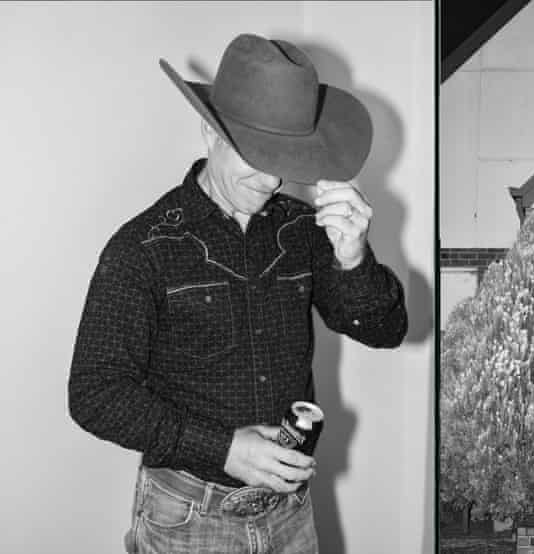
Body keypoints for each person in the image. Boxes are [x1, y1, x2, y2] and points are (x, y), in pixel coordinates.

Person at [68, 33, 408, 554]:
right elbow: (94, 393)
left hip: (291, 514)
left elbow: (386, 331)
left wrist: (353, 258)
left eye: (285, 158)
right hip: (188, 521)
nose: (271, 179)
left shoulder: (303, 230)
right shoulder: (143, 247)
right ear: (209, 130)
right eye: (256, 154)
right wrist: (223, 448)